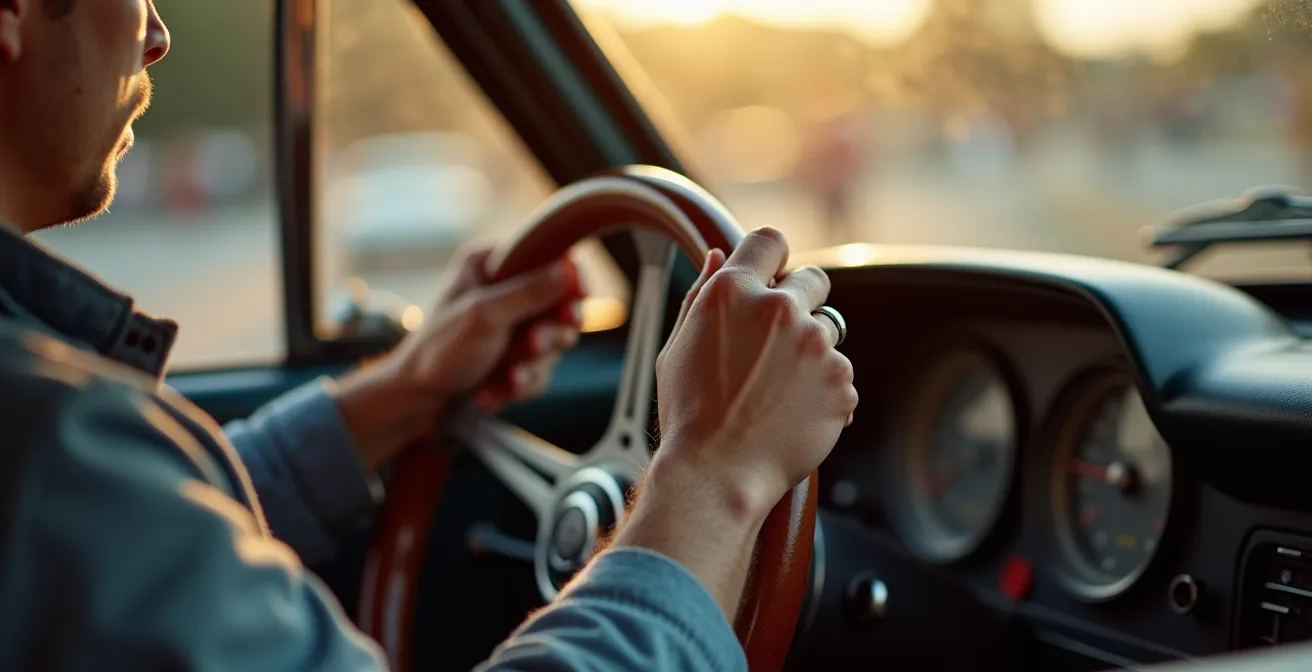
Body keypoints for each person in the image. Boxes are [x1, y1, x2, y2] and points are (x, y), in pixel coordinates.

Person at [0, 1, 858, 671]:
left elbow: (147, 538)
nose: (157, 34)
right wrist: (712, 475)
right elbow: (115, 523)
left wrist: (403, 389)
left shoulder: (63, 461)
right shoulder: (46, 449)